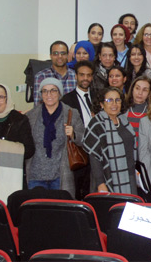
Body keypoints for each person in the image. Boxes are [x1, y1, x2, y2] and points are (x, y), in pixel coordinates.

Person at [25, 78, 85, 197]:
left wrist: (73, 135)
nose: (49, 94)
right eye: (45, 91)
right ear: (41, 94)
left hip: (61, 176)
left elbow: (85, 139)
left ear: (59, 93)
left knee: (60, 208)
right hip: (35, 176)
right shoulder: (31, 115)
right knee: (36, 208)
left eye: (53, 90)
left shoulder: (71, 113)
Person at [83, 87, 138, 195]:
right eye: (109, 100)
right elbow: (94, 157)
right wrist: (100, 183)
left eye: (117, 100)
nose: (114, 104)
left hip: (129, 176)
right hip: (107, 178)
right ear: (101, 104)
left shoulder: (124, 120)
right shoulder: (97, 124)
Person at [0, 84, 36, 192]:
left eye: (1, 97)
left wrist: (0, 145)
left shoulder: (19, 120)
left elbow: (29, 150)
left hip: (13, 180)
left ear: (8, 99)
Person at [60, 60, 97, 199]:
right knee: (77, 187)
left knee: (93, 189)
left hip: (96, 149)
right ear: (75, 76)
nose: (85, 78)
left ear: (92, 77)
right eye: (82, 75)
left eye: (88, 75)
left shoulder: (98, 96)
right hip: (77, 149)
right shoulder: (67, 99)